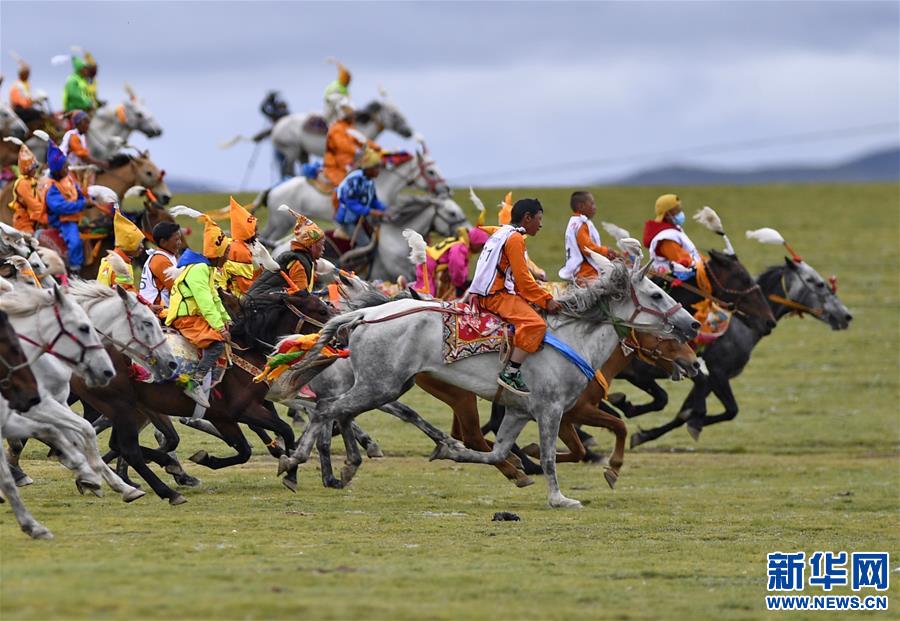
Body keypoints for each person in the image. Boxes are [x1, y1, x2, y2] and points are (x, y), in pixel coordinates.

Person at [468, 198, 561, 395]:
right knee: (536, 324)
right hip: (496, 295)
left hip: (487, 291)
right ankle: (510, 373)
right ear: (527, 218)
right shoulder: (515, 238)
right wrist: (547, 300)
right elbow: (523, 281)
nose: (541, 224)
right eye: (539, 219)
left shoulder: (502, 233)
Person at [165, 212, 231, 409]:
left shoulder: (207, 269)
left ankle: (213, 383)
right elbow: (204, 301)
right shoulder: (199, 269)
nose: (229, 256)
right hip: (185, 318)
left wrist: (226, 319)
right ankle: (193, 382)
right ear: (218, 252)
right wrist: (219, 328)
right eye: (227, 252)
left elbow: (215, 298)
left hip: (195, 316)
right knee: (217, 343)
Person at [249, 211, 325, 296]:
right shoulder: (299, 263)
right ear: (311, 245)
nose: (323, 249)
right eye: (321, 245)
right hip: (260, 305)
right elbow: (301, 298)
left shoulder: (302, 259)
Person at [43, 140, 88, 274]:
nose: (68, 169)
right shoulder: (51, 187)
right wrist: (82, 204)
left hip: (76, 215)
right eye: (65, 167)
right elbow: (60, 208)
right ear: (57, 171)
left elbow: (78, 193)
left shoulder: (68, 178)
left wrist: (84, 200)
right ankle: (75, 270)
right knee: (75, 242)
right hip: (62, 220)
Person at [414, 226, 490, 298]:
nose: (481, 249)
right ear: (475, 241)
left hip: (429, 262)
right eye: (481, 245)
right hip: (428, 264)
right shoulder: (461, 247)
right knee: (426, 295)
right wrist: (459, 282)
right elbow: (456, 265)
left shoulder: (460, 241)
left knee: (431, 290)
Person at [558, 191, 617, 282]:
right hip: (586, 271)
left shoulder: (575, 222)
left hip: (579, 268)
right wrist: (606, 251)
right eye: (592, 204)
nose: (595, 207)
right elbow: (587, 248)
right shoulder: (580, 224)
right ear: (581, 206)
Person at [642, 193, 701, 281]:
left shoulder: (674, 230)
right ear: (666, 214)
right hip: (678, 282)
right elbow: (682, 261)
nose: (680, 212)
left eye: (680, 209)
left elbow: (693, 255)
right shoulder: (666, 238)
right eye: (676, 210)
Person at [334, 148, 385, 248]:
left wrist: (385, 210)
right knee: (365, 244)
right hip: (347, 220)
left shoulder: (370, 181)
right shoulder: (354, 179)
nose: (379, 170)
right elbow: (351, 204)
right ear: (368, 168)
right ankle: (355, 263)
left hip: (360, 218)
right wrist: (370, 211)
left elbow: (374, 200)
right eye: (376, 167)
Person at [322, 99, 373, 189]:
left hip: (349, 165)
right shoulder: (336, 128)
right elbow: (343, 146)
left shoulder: (350, 128)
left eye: (353, 114)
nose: (354, 116)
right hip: (336, 168)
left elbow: (363, 140)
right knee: (344, 189)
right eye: (351, 114)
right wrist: (357, 151)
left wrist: (380, 150)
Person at [218, 196, 259, 298]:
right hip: (231, 297)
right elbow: (246, 287)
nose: (258, 233)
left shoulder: (230, 242)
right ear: (249, 233)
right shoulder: (242, 251)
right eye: (255, 230)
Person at [96, 209, 145, 291]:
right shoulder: (119, 266)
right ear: (128, 244)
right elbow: (126, 294)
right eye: (138, 243)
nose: (142, 247)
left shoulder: (111, 260)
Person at [139, 221, 182, 308]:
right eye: (176, 239)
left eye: (180, 239)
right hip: (157, 311)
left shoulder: (166, 255)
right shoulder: (161, 261)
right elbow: (179, 288)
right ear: (163, 242)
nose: (180, 243)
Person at [7, 140, 46, 234]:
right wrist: (47, 217)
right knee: (31, 241)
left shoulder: (33, 180)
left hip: (36, 218)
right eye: (32, 168)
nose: (35, 170)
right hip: (25, 221)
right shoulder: (22, 184)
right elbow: (34, 205)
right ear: (26, 169)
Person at [60, 111, 107, 187]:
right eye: (85, 123)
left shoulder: (82, 136)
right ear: (78, 123)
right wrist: (101, 163)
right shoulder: (73, 136)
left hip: (74, 168)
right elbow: (84, 158)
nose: (88, 126)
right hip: (64, 169)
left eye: (88, 123)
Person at [9, 57, 41, 124]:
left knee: (40, 113)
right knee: (36, 114)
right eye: (27, 73)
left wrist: (34, 101)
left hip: (25, 108)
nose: (28, 75)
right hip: (19, 109)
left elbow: (28, 97)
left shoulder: (26, 85)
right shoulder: (17, 85)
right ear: (22, 74)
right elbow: (19, 102)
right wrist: (31, 102)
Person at [323, 60, 352, 124]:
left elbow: (341, 68)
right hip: (330, 100)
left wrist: (334, 61)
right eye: (347, 79)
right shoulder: (337, 86)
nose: (348, 81)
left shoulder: (344, 89)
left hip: (335, 103)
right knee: (328, 118)